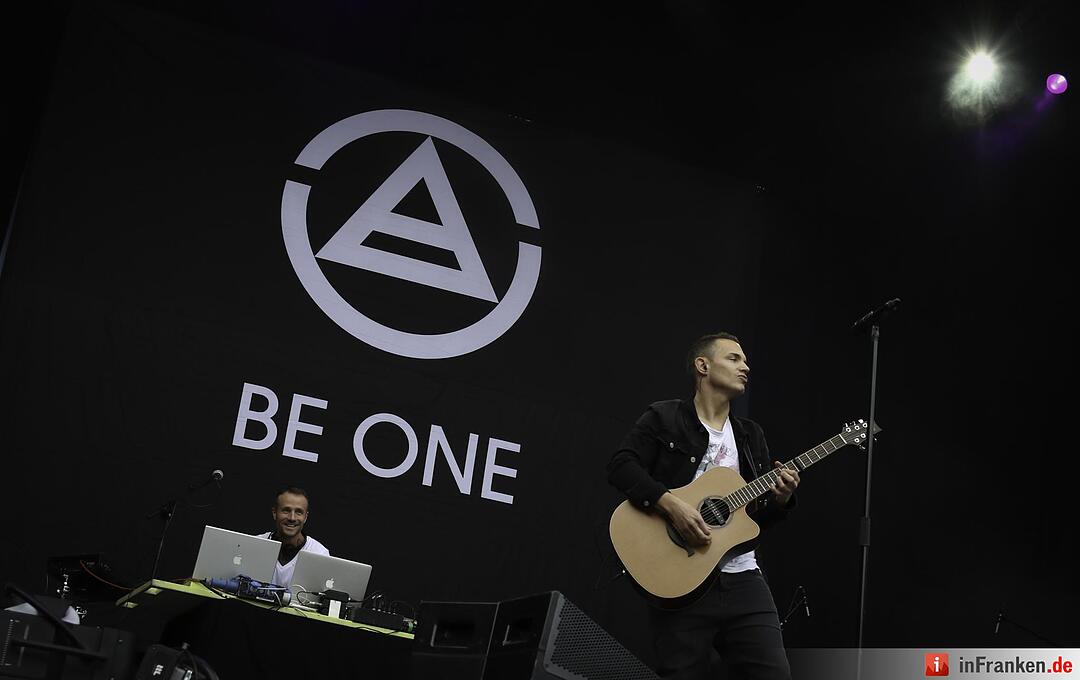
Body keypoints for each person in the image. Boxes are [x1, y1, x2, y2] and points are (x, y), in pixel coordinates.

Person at [607, 332, 800, 680]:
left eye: (745, 361)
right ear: (703, 366)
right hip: (681, 581)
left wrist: (781, 499)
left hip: (743, 580)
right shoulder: (663, 417)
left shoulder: (750, 435)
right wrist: (671, 506)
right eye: (734, 359)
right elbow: (621, 466)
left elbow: (751, 522)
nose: (746, 367)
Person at [257, 486, 330, 589]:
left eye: (299, 512)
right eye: (286, 511)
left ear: (305, 517)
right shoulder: (256, 544)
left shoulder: (319, 554)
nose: (292, 518)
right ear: (274, 513)